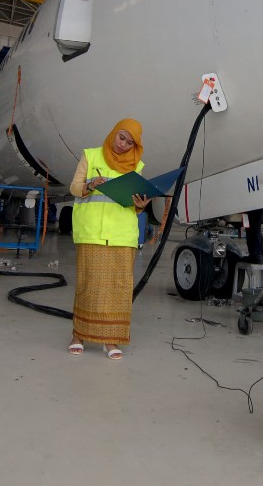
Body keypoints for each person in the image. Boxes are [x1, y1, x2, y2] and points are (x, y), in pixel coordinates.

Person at [67, 119, 150, 360]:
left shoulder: (137, 165)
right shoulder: (91, 155)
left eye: (130, 141)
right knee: (87, 285)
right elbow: (73, 187)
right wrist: (90, 185)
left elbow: (134, 202)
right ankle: (78, 335)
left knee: (119, 289)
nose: (123, 144)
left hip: (122, 235)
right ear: (113, 133)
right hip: (92, 231)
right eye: (121, 137)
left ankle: (111, 340)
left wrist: (140, 206)